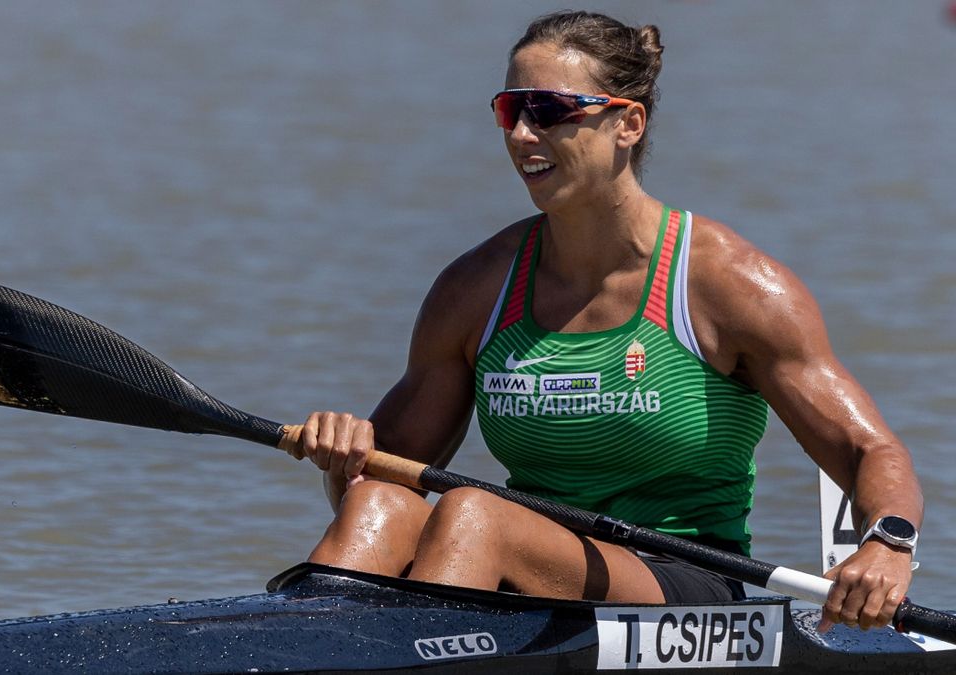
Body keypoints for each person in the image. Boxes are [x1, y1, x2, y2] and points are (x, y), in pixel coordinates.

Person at [288, 10, 921, 633]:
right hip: (518, 558)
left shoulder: (730, 285)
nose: (521, 135)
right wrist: (345, 457)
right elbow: (384, 478)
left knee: (476, 514)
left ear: (628, 124)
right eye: (511, 111)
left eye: (550, 110)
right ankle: (296, 643)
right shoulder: (475, 289)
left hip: (686, 581)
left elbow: (871, 451)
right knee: (381, 503)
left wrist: (888, 546)